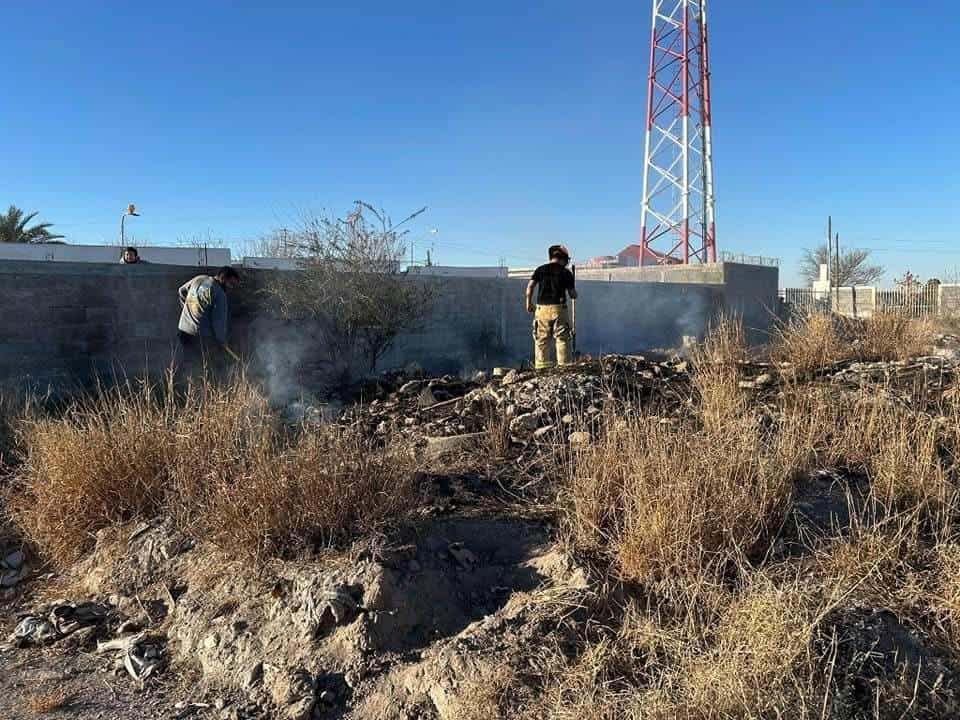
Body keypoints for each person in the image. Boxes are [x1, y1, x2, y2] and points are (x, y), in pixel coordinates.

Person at [177, 266, 241, 373]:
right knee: (206, 366)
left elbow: (181, 291)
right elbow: (218, 322)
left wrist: (187, 310)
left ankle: (177, 385)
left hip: (183, 330)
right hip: (201, 337)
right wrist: (222, 341)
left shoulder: (199, 279)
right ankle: (203, 387)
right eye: (231, 284)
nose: (232, 288)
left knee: (188, 361)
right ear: (223, 278)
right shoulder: (220, 294)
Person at [526, 245, 577, 370]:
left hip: (541, 310)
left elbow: (530, 287)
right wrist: (574, 291)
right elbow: (572, 295)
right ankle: (564, 368)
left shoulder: (540, 270)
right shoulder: (566, 273)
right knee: (562, 339)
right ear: (563, 258)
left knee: (541, 339)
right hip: (559, 310)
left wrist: (528, 303)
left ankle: (542, 368)